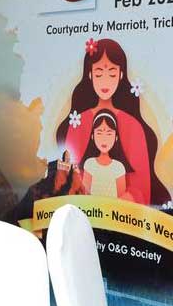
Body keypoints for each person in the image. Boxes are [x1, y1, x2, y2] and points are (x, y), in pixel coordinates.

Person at [56, 38, 170, 205]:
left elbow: (141, 188)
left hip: (121, 215)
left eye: (112, 73)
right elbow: (70, 181)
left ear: (121, 75)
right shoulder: (78, 123)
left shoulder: (134, 126)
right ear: (90, 75)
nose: (105, 81)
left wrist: (117, 206)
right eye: (99, 73)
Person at [80, 109, 128, 198]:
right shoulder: (89, 164)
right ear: (92, 136)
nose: (104, 139)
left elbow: (121, 196)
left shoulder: (119, 167)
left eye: (109, 134)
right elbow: (86, 193)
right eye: (99, 133)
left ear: (116, 138)